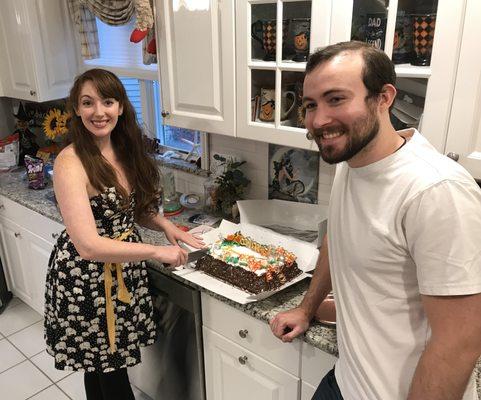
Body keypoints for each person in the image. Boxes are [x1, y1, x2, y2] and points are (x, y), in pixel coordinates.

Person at [270, 41, 481, 400]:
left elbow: (460, 342)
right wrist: (307, 308)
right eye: (310, 105)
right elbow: (337, 239)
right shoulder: (351, 163)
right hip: (346, 382)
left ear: (384, 97)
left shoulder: (435, 190)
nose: (319, 120)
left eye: (336, 99)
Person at [44, 68, 204, 400]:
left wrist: (165, 226)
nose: (98, 112)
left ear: (120, 107)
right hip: (86, 281)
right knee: (107, 369)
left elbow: (132, 210)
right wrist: (156, 252)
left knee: (105, 366)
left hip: (122, 272)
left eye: (107, 101)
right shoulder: (70, 163)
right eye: (88, 103)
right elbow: (88, 246)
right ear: (76, 108)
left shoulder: (124, 150)